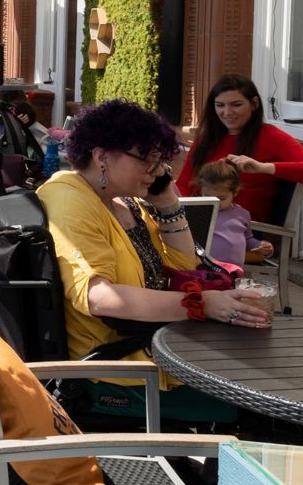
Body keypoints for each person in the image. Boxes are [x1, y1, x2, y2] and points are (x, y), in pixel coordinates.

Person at [40, 100, 270, 379]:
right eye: (148, 159)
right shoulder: (70, 200)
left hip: (159, 346)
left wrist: (168, 203)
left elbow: (185, 265)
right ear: (102, 157)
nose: (159, 171)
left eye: (159, 161)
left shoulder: (124, 202)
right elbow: (98, 296)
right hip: (120, 367)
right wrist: (201, 304)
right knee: (259, 385)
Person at [176, 74, 303, 224]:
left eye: (236, 105)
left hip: (244, 232)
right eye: (220, 105)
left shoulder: (271, 136)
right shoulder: (206, 138)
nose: (227, 113)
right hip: (200, 222)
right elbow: (184, 184)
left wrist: (264, 168)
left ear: (254, 104)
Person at [196, 159, 272, 269]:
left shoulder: (241, 214)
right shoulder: (198, 211)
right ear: (201, 190)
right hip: (201, 270)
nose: (215, 202)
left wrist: (261, 246)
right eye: (208, 197)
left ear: (235, 191)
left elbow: (248, 240)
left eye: (221, 198)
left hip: (232, 272)